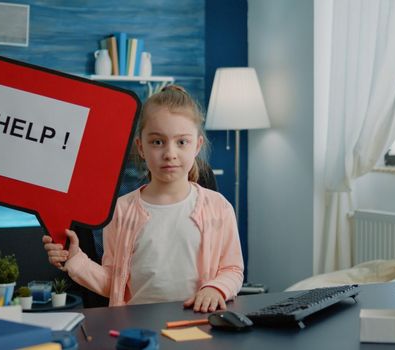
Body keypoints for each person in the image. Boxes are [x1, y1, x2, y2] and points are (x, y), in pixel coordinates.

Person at [43, 85, 244, 313]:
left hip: (198, 322)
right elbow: (114, 283)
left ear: (197, 146)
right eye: (157, 142)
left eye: (182, 142)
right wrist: (76, 260)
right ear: (141, 147)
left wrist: (217, 289)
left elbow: (233, 269)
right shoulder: (120, 210)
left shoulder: (219, 208)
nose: (170, 153)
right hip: (138, 327)